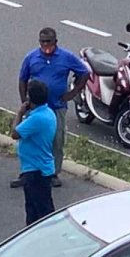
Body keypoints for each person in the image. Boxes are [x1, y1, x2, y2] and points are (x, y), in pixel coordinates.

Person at [13, 27, 89, 189]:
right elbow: (22, 79)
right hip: (35, 108)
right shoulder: (31, 57)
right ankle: (27, 173)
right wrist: (24, 103)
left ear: (56, 42)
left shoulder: (66, 57)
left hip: (57, 107)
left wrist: (73, 93)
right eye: (43, 41)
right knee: (29, 141)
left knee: (57, 140)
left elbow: (84, 72)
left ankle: (53, 173)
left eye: (49, 41)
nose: (46, 45)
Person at [11, 80, 56, 225]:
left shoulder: (36, 118)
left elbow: (15, 133)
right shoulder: (48, 113)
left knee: (38, 211)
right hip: (40, 166)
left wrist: (19, 113)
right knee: (38, 207)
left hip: (35, 170)